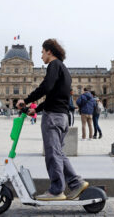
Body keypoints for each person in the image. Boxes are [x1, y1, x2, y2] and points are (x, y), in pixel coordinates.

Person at [16, 39, 88, 201]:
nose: (41, 56)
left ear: (49, 51)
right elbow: (55, 96)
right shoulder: (64, 70)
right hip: (63, 117)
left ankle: (56, 190)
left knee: (52, 154)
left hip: (53, 118)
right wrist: (37, 109)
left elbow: (46, 87)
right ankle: (76, 183)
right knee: (59, 153)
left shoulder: (53, 66)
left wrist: (26, 101)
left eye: (42, 52)